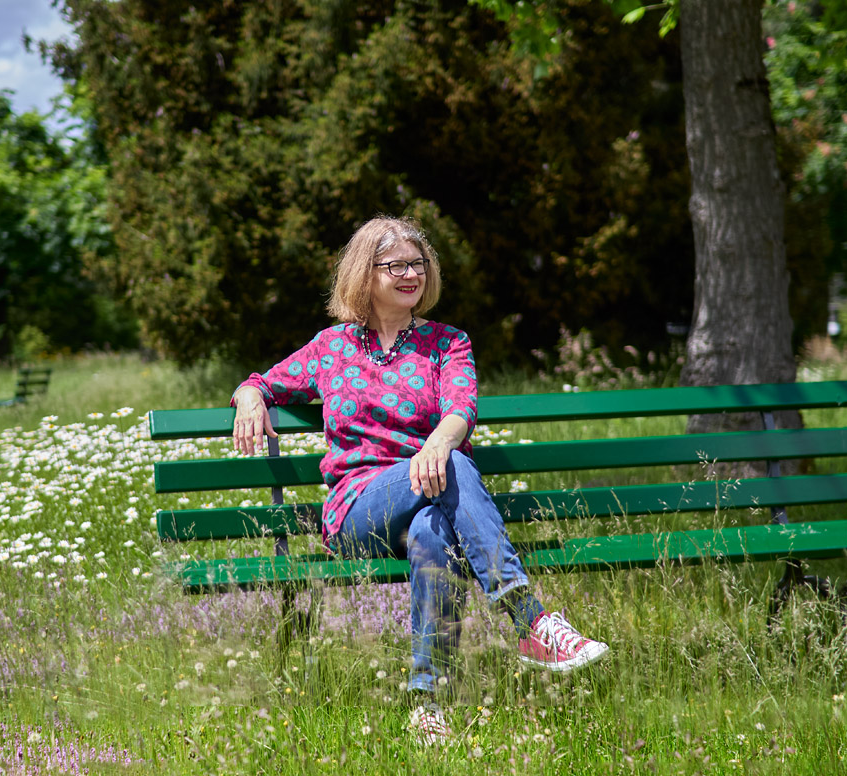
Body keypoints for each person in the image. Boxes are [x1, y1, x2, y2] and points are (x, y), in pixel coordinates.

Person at [232, 216, 608, 745]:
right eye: (396, 265)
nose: (410, 274)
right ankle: (531, 620)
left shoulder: (446, 343)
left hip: (432, 496)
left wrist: (436, 442)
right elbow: (262, 383)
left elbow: (461, 409)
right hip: (359, 510)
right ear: (366, 273)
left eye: (418, 264)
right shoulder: (331, 347)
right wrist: (249, 396)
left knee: (434, 528)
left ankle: (426, 704)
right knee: (450, 464)